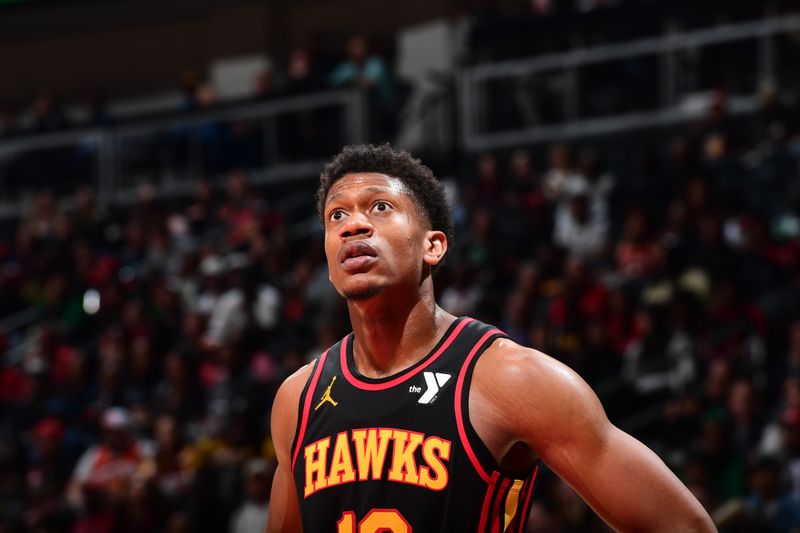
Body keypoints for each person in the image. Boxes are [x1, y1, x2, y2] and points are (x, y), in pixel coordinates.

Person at [266, 144, 715, 532]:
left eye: (380, 207)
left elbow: (681, 524)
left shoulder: (509, 377)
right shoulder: (298, 399)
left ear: (433, 246)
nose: (352, 225)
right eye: (336, 215)